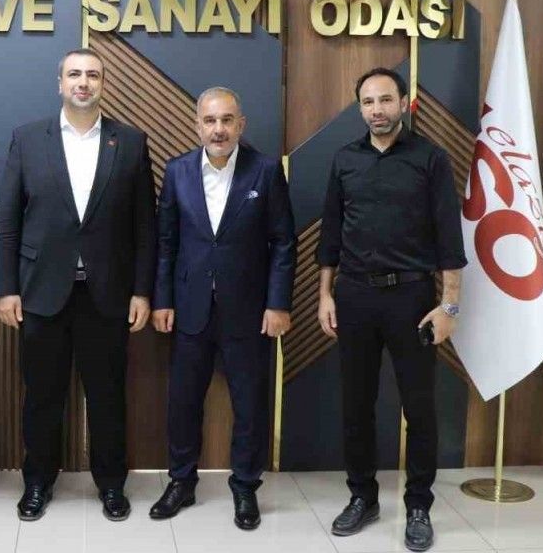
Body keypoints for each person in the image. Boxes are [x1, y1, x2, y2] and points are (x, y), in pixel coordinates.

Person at [0, 48, 156, 522]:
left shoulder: (130, 142)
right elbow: (9, 221)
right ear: (60, 83)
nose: (83, 82)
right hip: (42, 293)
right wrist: (6, 288)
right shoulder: (28, 139)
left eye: (92, 75)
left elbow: (145, 226)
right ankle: (38, 482)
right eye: (74, 74)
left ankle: (111, 485)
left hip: (107, 295)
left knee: (107, 396)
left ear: (103, 83)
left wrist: (142, 291)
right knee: (42, 396)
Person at [315, 67, 466, 552]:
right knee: (356, 405)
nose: (376, 110)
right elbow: (330, 236)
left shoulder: (430, 159)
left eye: (385, 100)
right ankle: (362, 497)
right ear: (359, 108)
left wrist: (449, 305)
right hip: (354, 297)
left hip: (412, 299)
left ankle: (418, 505)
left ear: (404, 102)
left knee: (419, 407)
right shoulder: (345, 159)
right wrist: (325, 294)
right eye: (368, 102)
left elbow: (449, 238)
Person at [148, 87, 296, 530]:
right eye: (210, 120)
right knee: (183, 402)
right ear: (197, 124)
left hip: (249, 311)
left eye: (227, 120)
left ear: (240, 124)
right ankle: (181, 481)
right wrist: (162, 300)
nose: (219, 129)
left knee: (249, 404)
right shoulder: (177, 171)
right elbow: (166, 243)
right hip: (189, 308)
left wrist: (278, 303)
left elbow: (283, 242)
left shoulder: (265, 170)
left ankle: (245, 486)